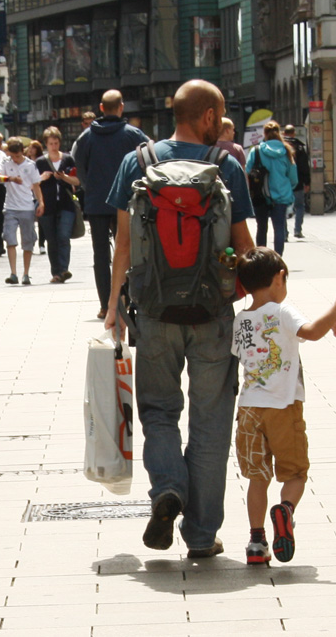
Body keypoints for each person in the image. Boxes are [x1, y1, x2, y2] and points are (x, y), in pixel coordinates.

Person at [104, 79, 255, 558]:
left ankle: (168, 488)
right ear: (209, 116)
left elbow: (123, 245)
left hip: (153, 310)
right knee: (211, 424)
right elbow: (245, 247)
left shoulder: (139, 162)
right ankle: (202, 535)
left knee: (159, 411)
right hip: (212, 313)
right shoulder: (226, 164)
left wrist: (113, 306)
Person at [233, 247, 336, 564]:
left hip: (249, 409)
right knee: (295, 474)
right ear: (279, 278)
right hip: (283, 406)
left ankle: (256, 543)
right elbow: (314, 332)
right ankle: (285, 510)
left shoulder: (241, 321)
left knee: (257, 478)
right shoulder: (282, 312)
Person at [72, 89, 149, 319]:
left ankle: (106, 304)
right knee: (127, 250)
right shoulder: (134, 135)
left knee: (100, 254)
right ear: (121, 107)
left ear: (101, 108)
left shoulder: (86, 137)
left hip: (96, 203)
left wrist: (89, 186)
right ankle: (125, 298)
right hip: (126, 202)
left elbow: (78, 163)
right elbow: (149, 160)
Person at [0, 137, 44, 285]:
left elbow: (36, 185)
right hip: (10, 207)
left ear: (23, 152)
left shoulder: (30, 165)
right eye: (12, 156)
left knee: (27, 241)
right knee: (10, 238)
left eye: (17, 156)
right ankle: (13, 272)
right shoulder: (5, 162)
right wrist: (9, 178)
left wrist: (40, 202)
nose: (15, 159)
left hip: (27, 206)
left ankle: (26, 273)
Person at [35, 126, 79, 283]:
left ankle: (64, 269)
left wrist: (64, 177)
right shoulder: (40, 162)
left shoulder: (68, 159)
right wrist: (42, 178)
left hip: (66, 203)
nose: (54, 146)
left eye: (56, 143)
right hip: (47, 205)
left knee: (63, 236)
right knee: (51, 239)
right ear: (46, 144)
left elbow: (77, 181)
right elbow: (33, 184)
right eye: (51, 143)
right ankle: (56, 272)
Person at [246, 121, 297, 256]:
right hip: (281, 195)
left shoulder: (256, 151)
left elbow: (247, 171)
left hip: (260, 194)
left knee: (261, 227)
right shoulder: (286, 151)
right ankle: (278, 258)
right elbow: (293, 177)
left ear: (264, 134)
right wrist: (287, 187)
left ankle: (261, 259)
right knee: (279, 228)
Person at [283, 125, 310, 239]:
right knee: (299, 206)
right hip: (298, 181)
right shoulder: (299, 147)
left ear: (284, 133)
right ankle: (297, 230)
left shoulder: (281, 147)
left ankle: (284, 233)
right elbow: (304, 166)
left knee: (282, 206)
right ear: (294, 133)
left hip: (283, 182)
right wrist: (307, 182)